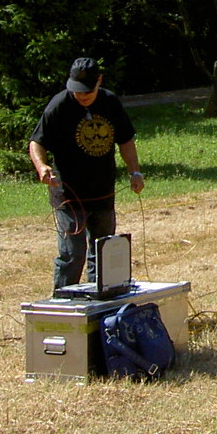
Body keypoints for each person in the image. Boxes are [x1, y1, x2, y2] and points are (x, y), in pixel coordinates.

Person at [29, 57, 145, 291]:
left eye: (87, 92)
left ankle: (99, 308)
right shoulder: (59, 105)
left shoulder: (110, 102)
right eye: (77, 91)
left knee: (103, 254)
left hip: (102, 193)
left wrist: (135, 171)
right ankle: (63, 307)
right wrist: (42, 167)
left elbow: (126, 140)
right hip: (69, 196)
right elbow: (36, 142)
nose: (81, 96)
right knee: (73, 255)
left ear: (99, 81)